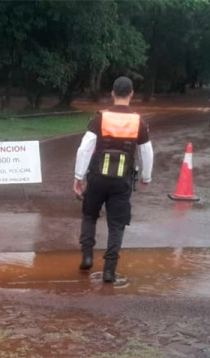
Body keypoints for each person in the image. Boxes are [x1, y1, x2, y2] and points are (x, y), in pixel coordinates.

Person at [73, 76, 153, 283]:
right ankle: (109, 269)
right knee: (116, 225)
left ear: (112, 93)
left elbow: (84, 149)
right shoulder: (138, 122)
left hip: (97, 177)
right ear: (132, 94)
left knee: (90, 215)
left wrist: (78, 177)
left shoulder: (100, 118)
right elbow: (147, 152)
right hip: (122, 181)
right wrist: (146, 176)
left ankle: (87, 256)